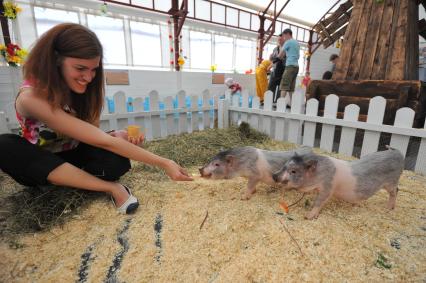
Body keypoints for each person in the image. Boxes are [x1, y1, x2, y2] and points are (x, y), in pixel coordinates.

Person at [0, 23, 192, 215]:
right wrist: (165, 163)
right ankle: (110, 188)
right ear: (56, 60)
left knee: (116, 160)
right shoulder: (31, 96)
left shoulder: (83, 91)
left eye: (94, 70)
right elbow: (102, 141)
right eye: (80, 68)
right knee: (5, 144)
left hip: (74, 153)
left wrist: (117, 135)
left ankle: (69, 183)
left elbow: (93, 136)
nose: (89, 77)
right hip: (42, 161)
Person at [278, 28, 300, 106]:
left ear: (287, 34)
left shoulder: (288, 42)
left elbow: (280, 55)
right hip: (296, 67)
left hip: (290, 66)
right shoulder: (296, 43)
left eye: (284, 36)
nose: (283, 38)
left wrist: (278, 57)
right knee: (291, 88)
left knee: (284, 86)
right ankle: (292, 105)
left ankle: (280, 105)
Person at [268, 33, 286, 103]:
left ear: (284, 40)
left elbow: (284, 58)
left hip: (283, 70)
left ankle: (278, 103)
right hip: (275, 70)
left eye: (281, 39)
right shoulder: (275, 49)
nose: (279, 41)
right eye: (278, 39)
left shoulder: (286, 48)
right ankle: (269, 101)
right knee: (271, 86)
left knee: (280, 88)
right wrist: (271, 58)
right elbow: (272, 60)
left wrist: (278, 58)